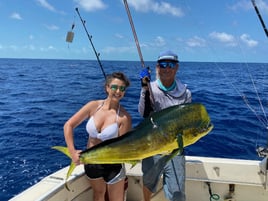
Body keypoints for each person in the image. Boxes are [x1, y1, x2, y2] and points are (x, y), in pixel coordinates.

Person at [63, 72, 132, 201]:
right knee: (98, 195)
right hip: (91, 162)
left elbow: (124, 147)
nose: (118, 91)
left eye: (122, 89)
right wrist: (72, 152)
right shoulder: (93, 106)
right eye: (114, 87)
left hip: (113, 165)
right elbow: (69, 125)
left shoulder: (124, 117)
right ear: (107, 88)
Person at [138, 50, 192, 201]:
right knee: (149, 182)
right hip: (152, 147)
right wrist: (144, 89)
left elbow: (186, 121)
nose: (167, 68)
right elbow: (143, 113)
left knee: (178, 192)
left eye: (171, 64)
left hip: (175, 148)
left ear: (177, 67)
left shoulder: (186, 93)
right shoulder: (150, 87)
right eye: (163, 65)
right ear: (157, 67)